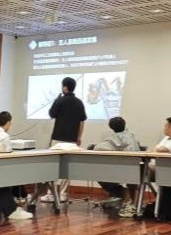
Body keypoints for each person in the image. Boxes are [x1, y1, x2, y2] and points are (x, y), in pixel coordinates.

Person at [41, 76, 86, 204]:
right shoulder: (79, 102)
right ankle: (63, 194)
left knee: (53, 166)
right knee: (67, 167)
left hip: (57, 138)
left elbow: (51, 114)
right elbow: (82, 121)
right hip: (72, 139)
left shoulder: (60, 100)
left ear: (65, 87)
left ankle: (51, 194)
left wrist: (56, 100)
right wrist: (79, 137)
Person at [92, 116, 140, 217]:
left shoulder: (116, 138)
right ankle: (120, 196)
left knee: (99, 174)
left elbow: (98, 148)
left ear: (111, 127)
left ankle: (121, 194)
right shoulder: (131, 136)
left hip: (125, 168)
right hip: (135, 167)